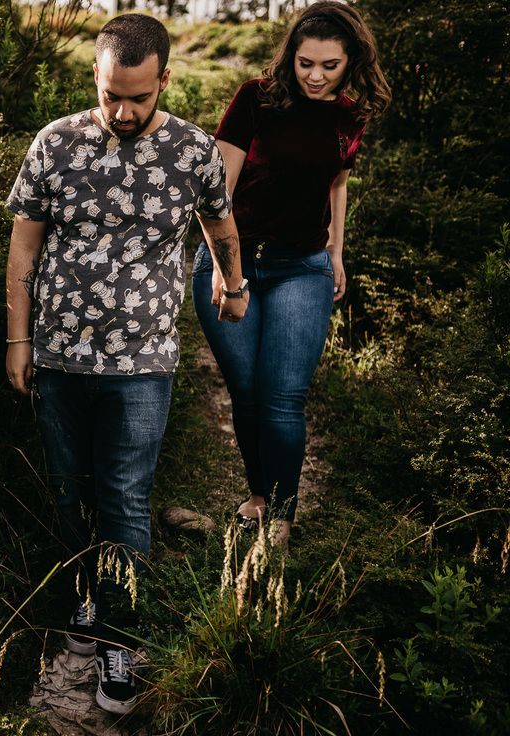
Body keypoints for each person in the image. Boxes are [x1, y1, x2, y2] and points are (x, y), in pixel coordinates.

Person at [4, 13, 247, 714]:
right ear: (97, 79)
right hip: (58, 354)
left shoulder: (194, 151)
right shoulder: (55, 144)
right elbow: (23, 251)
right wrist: (18, 341)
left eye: (138, 97)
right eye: (112, 94)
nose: (123, 111)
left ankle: (119, 634)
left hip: (144, 361)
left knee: (125, 496)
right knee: (68, 487)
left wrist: (233, 285)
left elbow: (220, 225)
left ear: (164, 80)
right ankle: (84, 594)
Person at [192, 0, 390, 545]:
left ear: (351, 61)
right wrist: (225, 268)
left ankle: (281, 516)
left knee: (283, 398)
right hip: (237, 260)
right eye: (306, 63)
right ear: (291, 57)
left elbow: (337, 184)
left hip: (303, 267)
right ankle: (258, 494)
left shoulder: (350, 115)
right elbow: (216, 191)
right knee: (247, 393)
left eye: (330, 65)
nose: (316, 76)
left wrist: (336, 252)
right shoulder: (256, 99)